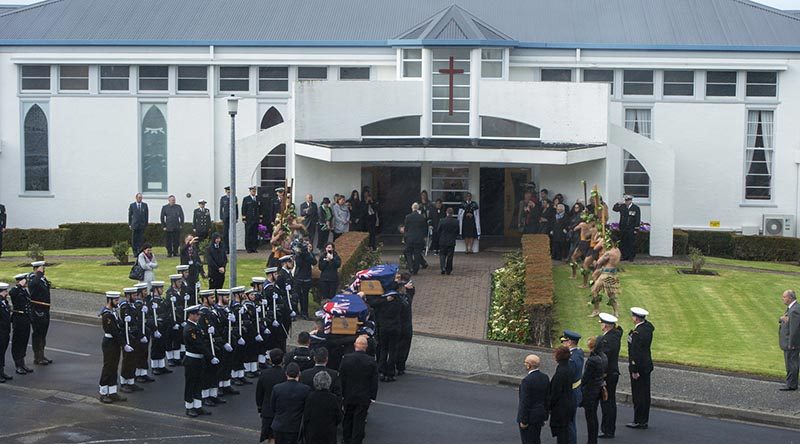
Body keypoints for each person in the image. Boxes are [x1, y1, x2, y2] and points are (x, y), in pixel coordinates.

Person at [339, 335, 379, 444]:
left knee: (348, 418)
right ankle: (356, 441)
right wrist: (372, 396)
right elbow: (374, 380)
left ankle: (347, 439)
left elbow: (342, 377)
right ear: (366, 347)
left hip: (348, 394)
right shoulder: (371, 361)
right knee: (360, 420)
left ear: (355, 345)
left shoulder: (346, 359)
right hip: (363, 396)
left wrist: (341, 393)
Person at [183, 304, 214, 417]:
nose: (199, 316)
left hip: (198, 360)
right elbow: (199, 345)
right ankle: (189, 407)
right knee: (191, 384)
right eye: (197, 314)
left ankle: (197, 405)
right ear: (191, 315)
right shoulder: (189, 329)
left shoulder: (196, 327)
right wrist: (210, 356)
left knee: (198, 383)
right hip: (192, 359)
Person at [627, 307, 654, 429]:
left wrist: (634, 369)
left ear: (636, 318)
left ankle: (639, 420)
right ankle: (644, 419)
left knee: (638, 394)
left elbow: (635, 353)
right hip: (646, 365)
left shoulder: (637, 334)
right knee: (645, 393)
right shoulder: (647, 329)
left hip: (639, 367)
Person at [270, 362, 311, 444]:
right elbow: (307, 409)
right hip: (295, 427)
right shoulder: (305, 389)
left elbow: (273, 407)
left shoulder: (277, 388)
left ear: (286, 373)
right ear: (299, 373)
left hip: (279, 426)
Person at [98, 291, 127, 403]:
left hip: (114, 342)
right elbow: (114, 332)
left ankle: (113, 391)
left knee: (114, 367)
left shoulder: (113, 312)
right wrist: (123, 344)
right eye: (115, 300)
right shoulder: (107, 314)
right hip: (109, 342)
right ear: (109, 300)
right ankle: (103, 392)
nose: (117, 302)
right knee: (108, 367)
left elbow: (119, 325)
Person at [596, 313, 622, 438]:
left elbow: (603, 359)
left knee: (607, 403)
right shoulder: (615, 336)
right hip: (612, 373)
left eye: (602, 323)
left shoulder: (607, 340)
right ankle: (608, 428)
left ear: (606, 325)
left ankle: (608, 429)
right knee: (609, 402)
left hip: (608, 375)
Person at [303, 371, 343, 444]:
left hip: (313, 433)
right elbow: (339, 417)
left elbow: (306, 416)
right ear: (329, 382)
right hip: (329, 433)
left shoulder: (310, 397)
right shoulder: (333, 398)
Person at [517, 354, 549, 444]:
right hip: (539, 415)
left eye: (525, 362)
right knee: (536, 439)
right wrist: (545, 416)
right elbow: (547, 398)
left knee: (527, 440)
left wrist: (523, 420)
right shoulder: (545, 378)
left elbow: (525, 402)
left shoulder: (527, 381)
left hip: (529, 417)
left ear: (529, 365)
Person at [581, 336, 608, 444]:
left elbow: (586, 378)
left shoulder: (592, 360)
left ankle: (591, 441)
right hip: (598, 389)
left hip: (590, 391)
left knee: (590, 418)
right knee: (593, 416)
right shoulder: (604, 357)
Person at [371, 290, 403, 382]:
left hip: (384, 328)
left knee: (383, 349)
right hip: (395, 328)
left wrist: (384, 299)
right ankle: (390, 373)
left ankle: (381, 371)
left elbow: (373, 303)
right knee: (393, 351)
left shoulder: (382, 302)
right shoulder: (398, 301)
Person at [257, 349, 286, 443]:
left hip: (267, 409)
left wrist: (260, 408)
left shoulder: (264, 374)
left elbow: (259, 393)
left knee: (270, 436)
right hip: (282, 410)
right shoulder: (285, 374)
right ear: (282, 360)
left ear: (270, 360)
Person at [560, 330, 583, 444]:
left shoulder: (572, 359)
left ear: (569, 343)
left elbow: (568, 377)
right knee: (570, 422)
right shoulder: (578, 353)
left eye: (564, 341)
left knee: (568, 424)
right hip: (575, 392)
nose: (563, 344)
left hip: (570, 394)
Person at [589, 241, 622, 318]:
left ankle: (596, 310)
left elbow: (599, 261)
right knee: (611, 294)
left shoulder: (609, 253)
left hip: (606, 274)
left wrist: (603, 253)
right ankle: (616, 312)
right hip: (613, 273)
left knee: (594, 290)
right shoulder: (618, 251)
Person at [28, 260, 52, 366]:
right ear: (36, 269)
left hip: (45, 310)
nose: (43, 270)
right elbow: (34, 285)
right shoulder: (33, 279)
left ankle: (41, 354)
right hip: (37, 311)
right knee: (38, 334)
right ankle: (37, 357)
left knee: (43, 334)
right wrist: (38, 273)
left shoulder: (42, 279)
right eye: (42, 268)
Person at [10, 273, 33, 375]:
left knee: (24, 341)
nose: (26, 282)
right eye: (25, 280)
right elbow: (12, 293)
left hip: (25, 319)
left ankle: (22, 363)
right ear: (19, 281)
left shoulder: (23, 291)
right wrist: (19, 285)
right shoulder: (15, 290)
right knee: (18, 342)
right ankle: (18, 365)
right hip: (18, 320)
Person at [549, 346, 573, 444]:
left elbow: (555, 392)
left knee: (561, 435)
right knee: (564, 432)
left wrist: (549, 405)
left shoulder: (560, 372)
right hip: (567, 404)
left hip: (560, 408)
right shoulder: (567, 367)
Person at [779, 290, 800, 391]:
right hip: (790, 342)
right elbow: (788, 320)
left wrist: (792, 343)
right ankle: (791, 383)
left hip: (791, 343)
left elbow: (794, 329)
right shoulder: (792, 308)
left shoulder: (794, 310)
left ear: (790, 298)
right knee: (791, 362)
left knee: (791, 363)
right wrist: (782, 319)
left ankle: (791, 385)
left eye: (784, 297)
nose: (783, 298)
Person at [395, 273, 415, 375]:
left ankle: (395, 363)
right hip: (406, 325)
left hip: (398, 325)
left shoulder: (395, 299)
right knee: (404, 346)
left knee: (396, 345)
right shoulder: (408, 297)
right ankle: (401, 366)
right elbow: (412, 291)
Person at [612, 195, 641, 262]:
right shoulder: (622, 207)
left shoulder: (635, 208)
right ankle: (624, 256)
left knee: (631, 243)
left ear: (631, 200)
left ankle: (631, 257)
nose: (626, 202)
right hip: (623, 228)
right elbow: (614, 209)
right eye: (625, 200)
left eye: (628, 200)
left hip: (631, 228)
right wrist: (618, 203)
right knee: (623, 242)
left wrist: (636, 229)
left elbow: (637, 219)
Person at [293, 238, 316, 319]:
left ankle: (304, 312)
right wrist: (301, 254)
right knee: (296, 295)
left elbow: (314, 262)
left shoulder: (309, 254)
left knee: (305, 296)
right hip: (298, 277)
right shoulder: (299, 253)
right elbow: (299, 264)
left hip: (307, 277)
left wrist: (308, 253)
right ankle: (296, 312)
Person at [403, 203, 428, 275]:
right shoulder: (421, 217)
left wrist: (406, 236)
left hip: (410, 238)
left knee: (408, 252)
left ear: (412, 208)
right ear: (418, 209)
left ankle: (410, 267)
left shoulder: (408, 217)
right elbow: (424, 228)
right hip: (419, 238)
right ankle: (416, 269)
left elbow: (406, 228)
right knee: (417, 253)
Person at [437, 207, 459, 275]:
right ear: (452, 213)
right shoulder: (456, 221)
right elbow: (457, 231)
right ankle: (448, 269)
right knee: (450, 256)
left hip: (443, 240)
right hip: (451, 240)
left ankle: (443, 267)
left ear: (446, 212)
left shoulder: (442, 221)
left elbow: (438, 230)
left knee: (442, 254)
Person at [242, 186, 261, 253]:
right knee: (248, 234)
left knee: (255, 234)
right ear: (250, 191)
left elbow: (260, 209)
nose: (254, 192)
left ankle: (254, 248)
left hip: (255, 219)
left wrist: (260, 218)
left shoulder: (258, 198)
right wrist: (244, 218)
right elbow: (243, 209)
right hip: (249, 219)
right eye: (253, 191)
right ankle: (248, 248)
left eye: (255, 191)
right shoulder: (246, 199)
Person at [219, 186, 238, 251]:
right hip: (225, 217)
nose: (229, 192)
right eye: (227, 191)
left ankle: (232, 248)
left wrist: (236, 217)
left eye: (230, 191)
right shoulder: (223, 198)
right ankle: (226, 248)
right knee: (225, 233)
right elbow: (221, 208)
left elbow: (236, 208)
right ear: (226, 191)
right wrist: (221, 217)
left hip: (232, 217)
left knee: (232, 233)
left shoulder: (234, 198)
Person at [0, 282, 12, 382]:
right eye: (5, 291)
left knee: (2, 352)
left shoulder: (4, 303)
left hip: (5, 332)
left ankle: (1, 371)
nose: (7, 293)